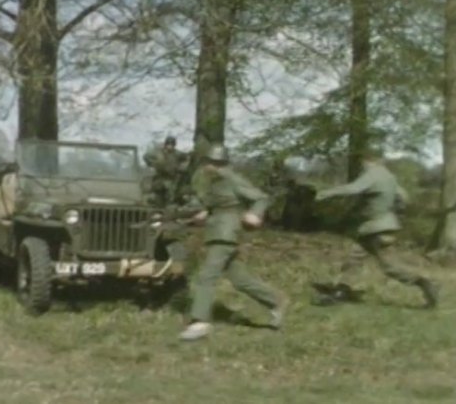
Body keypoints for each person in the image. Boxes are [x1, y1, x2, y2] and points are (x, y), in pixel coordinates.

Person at [179, 144, 289, 341]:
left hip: (226, 233)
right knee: (239, 279)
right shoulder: (216, 181)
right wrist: (202, 215)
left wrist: (254, 214)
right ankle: (275, 302)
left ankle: (200, 322)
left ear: (217, 163)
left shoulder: (231, 178)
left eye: (210, 163)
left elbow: (261, 197)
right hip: (218, 231)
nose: (207, 167)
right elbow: (221, 205)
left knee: (207, 275)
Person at [314, 148, 439, 308]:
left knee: (390, 267)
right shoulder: (389, 176)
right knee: (354, 259)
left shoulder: (373, 174)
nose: (362, 166)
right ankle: (341, 291)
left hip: (376, 229)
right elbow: (404, 196)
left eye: (363, 163)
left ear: (368, 161)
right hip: (379, 226)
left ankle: (424, 282)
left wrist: (324, 193)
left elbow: (353, 189)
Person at [143, 136, 190, 206]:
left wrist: (181, 167)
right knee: (157, 195)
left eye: (172, 145)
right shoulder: (159, 153)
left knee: (171, 195)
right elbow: (146, 156)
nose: (170, 146)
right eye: (168, 144)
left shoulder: (177, 154)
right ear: (166, 144)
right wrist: (152, 163)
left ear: (174, 145)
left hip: (172, 178)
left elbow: (187, 158)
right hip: (160, 177)